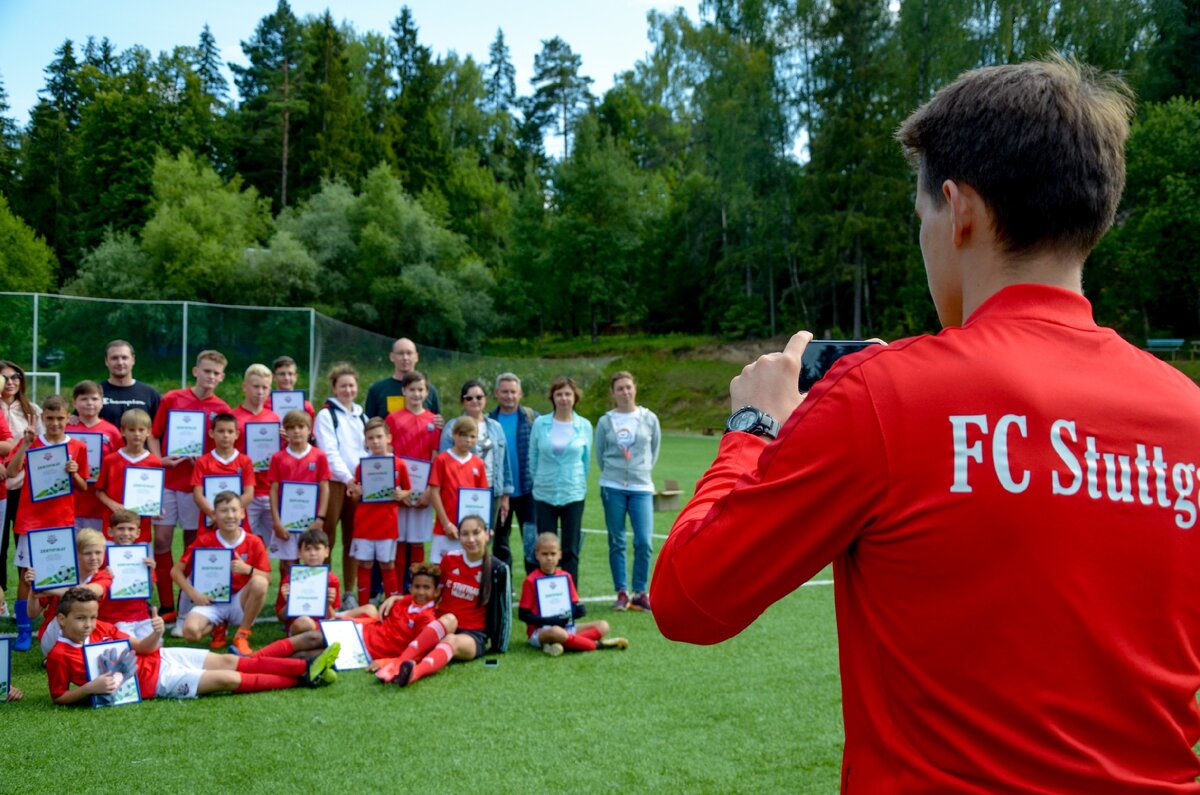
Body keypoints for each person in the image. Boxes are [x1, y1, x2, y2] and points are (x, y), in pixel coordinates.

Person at [650, 59, 1200, 790]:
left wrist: (753, 425)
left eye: (923, 219)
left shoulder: (882, 395)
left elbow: (689, 597)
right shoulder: (1187, 413)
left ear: (959, 208)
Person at [45, 587, 338, 704]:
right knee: (228, 678)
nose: (89, 624)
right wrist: (90, 688)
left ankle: (305, 667)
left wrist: (154, 634)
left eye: (92, 617)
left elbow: (143, 648)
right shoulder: (59, 654)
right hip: (157, 682)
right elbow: (59, 696)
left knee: (233, 662)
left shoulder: (104, 627)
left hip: (164, 656)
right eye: (81, 618)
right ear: (61, 619)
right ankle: (303, 674)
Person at [148, 350, 231, 620]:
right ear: (196, 371)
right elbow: (154, 435)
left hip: (197, 487)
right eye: (206, 371)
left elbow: (225, 448)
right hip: (168, 482)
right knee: (161, 541)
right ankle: (167, 604)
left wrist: (205, 462)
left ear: (222, 377)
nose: (210, 376)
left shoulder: (222, 409)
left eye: (216, 373)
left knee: (191, 546)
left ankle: (188, 601)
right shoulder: (172, 398)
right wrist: (160, 460)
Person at [7, 394, 90, 651]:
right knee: (26, 575)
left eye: (60, 419)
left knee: (60, 571)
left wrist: (74, 473)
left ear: (68, 419)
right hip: (31, 520)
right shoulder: (32, 441)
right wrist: (25, 445)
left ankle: (56, 622)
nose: (55, 423)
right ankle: (23, 630)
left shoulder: (77, 446)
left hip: (61, 520)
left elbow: (84, 486)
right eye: (50, 418)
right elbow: (10, 472)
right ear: (43, 418)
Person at [389, 515, 493, 687]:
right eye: (465, 534)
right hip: (443, 624)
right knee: (449, 618)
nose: (471, 539)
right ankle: (399, 662)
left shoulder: (496, 568)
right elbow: (433, 592)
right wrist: (400, 599)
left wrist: (497, 645)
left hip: (473, 635)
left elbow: (502, 612)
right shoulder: (450, 559)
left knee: (450, 641)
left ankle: (414, 673)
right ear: (458, 537)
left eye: (476, 533)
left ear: (487, 534)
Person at [171, 491, 270, 656]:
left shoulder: (253, 541)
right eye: (224, 511)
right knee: (190, 633)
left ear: (242, 513)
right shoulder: (204, 541)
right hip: (212, 602)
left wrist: (248, 569)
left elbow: (268, 578)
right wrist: (194, 594)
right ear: (214, 515)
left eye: (233, 510)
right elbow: (176, 571)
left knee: (260, 582)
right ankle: (218, 626)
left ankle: (242, 635)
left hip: (240, 601)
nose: (230, 515)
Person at [594, 371, 661, 612]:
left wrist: (638, 472)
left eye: (628, 387)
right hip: (612, 487)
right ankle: (622, 592)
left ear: (635, 389)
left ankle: (640, 591)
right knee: (617, 541)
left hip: (641, 487)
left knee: (644, 541)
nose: (625, 392)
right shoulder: (605, 421)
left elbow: (653, 452)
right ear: (613, 393)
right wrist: (615, 474)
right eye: (619, 388)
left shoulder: (649, 418)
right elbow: (600, 454)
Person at [519, 533, 627, 656]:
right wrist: (548, 620)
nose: (549, 558)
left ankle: (560, 644)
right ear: (537, 555)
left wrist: (579, 611)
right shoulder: (530, 580)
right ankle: (596, 645)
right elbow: (523, 614)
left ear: (560, 554)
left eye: (553, 554)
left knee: (603, 626)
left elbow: (575, 604)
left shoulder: (565, 577)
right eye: (544, 554)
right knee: (556, 632)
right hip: (541, 631)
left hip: (567, 628)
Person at [528, 376, 592, 585]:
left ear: (575, 398)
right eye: (559, 394)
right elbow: (533, 458)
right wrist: (539, 480)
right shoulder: (540, 424)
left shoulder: (584, 426)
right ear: (552, 397)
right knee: (545, 547)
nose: (563, 398)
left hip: (573, 493)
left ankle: (571, 596)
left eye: (568, 394)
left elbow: (586, 461)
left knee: (570, 549)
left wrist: (576, 482)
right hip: (544, 494)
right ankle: (544, 595)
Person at [313, 363, 366, 608]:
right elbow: (329, 452)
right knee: (327, 540)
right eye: (342, 385)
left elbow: (367, 451)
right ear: (334, 387)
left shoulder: (362, 416)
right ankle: (321, 590)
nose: (347, 390)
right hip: (335, 484)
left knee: (354, 540)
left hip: (357, 486)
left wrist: (361, 482)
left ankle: (348, 592)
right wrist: (348, 480)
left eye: (351, 385)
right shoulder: (326, 415)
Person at [440, 379, 512, 547]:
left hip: (492, 492)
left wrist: (505, 495)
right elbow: (443, 464)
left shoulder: (495, 427)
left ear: (485, 399)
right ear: (462, 401)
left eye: (479, 397)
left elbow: (504, 462)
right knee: (462, 540)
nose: (475, 401)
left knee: (484, 540)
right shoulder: (453, 427)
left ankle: (481, 573)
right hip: (462, 492)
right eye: (469, 398)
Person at [349, 417, 411, 606]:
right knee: (365, 564)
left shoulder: (399, 464)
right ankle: (364, 607)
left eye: (379, 437)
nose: (375, 441)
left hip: (387, 524)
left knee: (387, 564)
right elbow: (355, 496)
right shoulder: (361, 466)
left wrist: (402, 494)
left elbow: (408, 490)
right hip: (364, 524)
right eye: (370, 438)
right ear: (365, 441)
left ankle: (392, 607)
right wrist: (355, 492)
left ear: (388, 438)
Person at [386, 371, 442, 580]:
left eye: (420, 389)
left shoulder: (433, 422)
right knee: (399, 540)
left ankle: (416, 586)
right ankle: (399, 588)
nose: (416, 394)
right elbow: (389, 454)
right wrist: (397, 490)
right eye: (412, 390)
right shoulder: (393, 419)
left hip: (423, 491)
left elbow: (435, 457)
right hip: (400, 491)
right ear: (403, 391)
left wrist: (429, 490)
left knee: (417, 541)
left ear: (427, 392)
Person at [26, 528, 111, 655]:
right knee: (71, 616)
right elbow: (32, 614)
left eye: (98, 552)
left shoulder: (104, 576)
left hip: (88, 633)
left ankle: (75, 657)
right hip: (54, 635)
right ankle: (61, 656)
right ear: (76, 554)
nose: (94, 557)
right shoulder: (60, 575)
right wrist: (33, 589)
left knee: (87, 616)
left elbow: (84, 594)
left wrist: (46, 588)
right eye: (87, 553)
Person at [268, 410, 331, 574]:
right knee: (287, 562)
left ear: (309, 429)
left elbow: (324, 487)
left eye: (301, 426)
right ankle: (285, 598)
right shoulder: (278, 457)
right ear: (285, 431)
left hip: (311, 521)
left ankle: (310, 596)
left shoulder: (319, 456)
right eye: (291, 427)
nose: (296, 431)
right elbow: (274, 490)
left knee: (312, 559)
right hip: (286, 521)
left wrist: (320, 518)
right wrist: (276, 521)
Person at [488, 372, 539, 575]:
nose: (509, 396)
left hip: (528, 492)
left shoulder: (533, 418)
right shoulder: (489, 421)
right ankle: (504, 585)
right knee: (500, 542)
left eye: (513, 392)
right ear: (496, 394)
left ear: (520, 394)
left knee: (532, 540)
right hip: (500, 493)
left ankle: (534, 583)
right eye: (504, 392)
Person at [0, 361, 40, 619]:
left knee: (24, 548)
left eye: (15, 377)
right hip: (2, 486)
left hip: (26, 487)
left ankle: (24, 605)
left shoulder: (32, 409)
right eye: (5, 378)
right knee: (0, 548)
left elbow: (41, 445)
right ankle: (1, 601)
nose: (11, 382)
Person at [232, 364, 281, 552]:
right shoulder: (233, 417)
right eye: (255, 386)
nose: (260, 391)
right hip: (244, 490)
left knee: (278, 545)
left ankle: (280, 581)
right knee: (242, 543)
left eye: (265, 387)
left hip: (269, 489)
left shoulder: (274, 418)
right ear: (245, 386)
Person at [94, 408, 161, 544]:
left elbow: (155, 494)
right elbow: (99, 491)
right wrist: (113, 505)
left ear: (148, 432)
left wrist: (157, 507)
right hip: (113, 525)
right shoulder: (110, 460)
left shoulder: (154, 462)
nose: (136, 434)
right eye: (131, 430)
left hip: (141, 528)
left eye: (141, 430)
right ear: (122, 431)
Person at [428, 417, 489, 564]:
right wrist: (446, 523)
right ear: (454, 435)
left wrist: (485, 527)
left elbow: (483, 498)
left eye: (472, 436)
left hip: (469, 532)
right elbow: (434, 492)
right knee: (440, 570)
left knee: (469, 570)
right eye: (463, 435)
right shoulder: (442, 460)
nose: (468, 440)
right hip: (446, 529)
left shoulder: (478, 463)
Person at [66, 380, 124, 532]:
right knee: (73, 551)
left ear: (102, 402)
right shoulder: (66, 428)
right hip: (71, 504)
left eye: (94, 398)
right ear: (74, 403)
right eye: (84, 399)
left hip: (100, 504)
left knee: (95, 551)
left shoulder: (111, 431)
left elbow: (119, 465)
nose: (89, 403)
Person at [98, 509, 158, 639]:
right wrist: (104, 577)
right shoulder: (101, 556)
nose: (126, 533)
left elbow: (149, 592)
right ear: (110, 531)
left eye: (131, 529)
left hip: (141, 613)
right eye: (121, 529)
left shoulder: (142, 557)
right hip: (114, 616)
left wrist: (150, 571)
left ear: (138, 533)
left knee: (155, 644)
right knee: (132, 647)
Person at [273, 528, 341, 636]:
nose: (313, 553)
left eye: (317, 548)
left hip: (321, 627)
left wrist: (328, 605)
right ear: (299, 553)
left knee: (368, 610)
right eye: (308, 549)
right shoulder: (290, 580)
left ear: (326, 552)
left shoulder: (332, 580)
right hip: (298, 627)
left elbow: (332, 618)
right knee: (304, 622)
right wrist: (290, 602)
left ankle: (305, 651)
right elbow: (281, 617)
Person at [365, 337, 443, 420]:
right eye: (400, 353)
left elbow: (436, 422)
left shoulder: (429, 389)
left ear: (416, 357)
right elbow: (369, 425)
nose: (405, 358)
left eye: (409, 353)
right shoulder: (377, 390)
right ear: (392, 357)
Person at [98, 340, 162, 427]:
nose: (120, 363)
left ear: (133, 360)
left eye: (124, 358)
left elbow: (161, 430)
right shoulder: (95, 393)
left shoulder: (151, 395)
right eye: (114, 358)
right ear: (106, 361)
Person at [266, 355, 315, 424]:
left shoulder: (307, 407)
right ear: (274, 377)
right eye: (282, 374)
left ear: (296, 377)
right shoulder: (264, 405)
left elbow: (310, 432)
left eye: (290, 374)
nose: (286, 378)